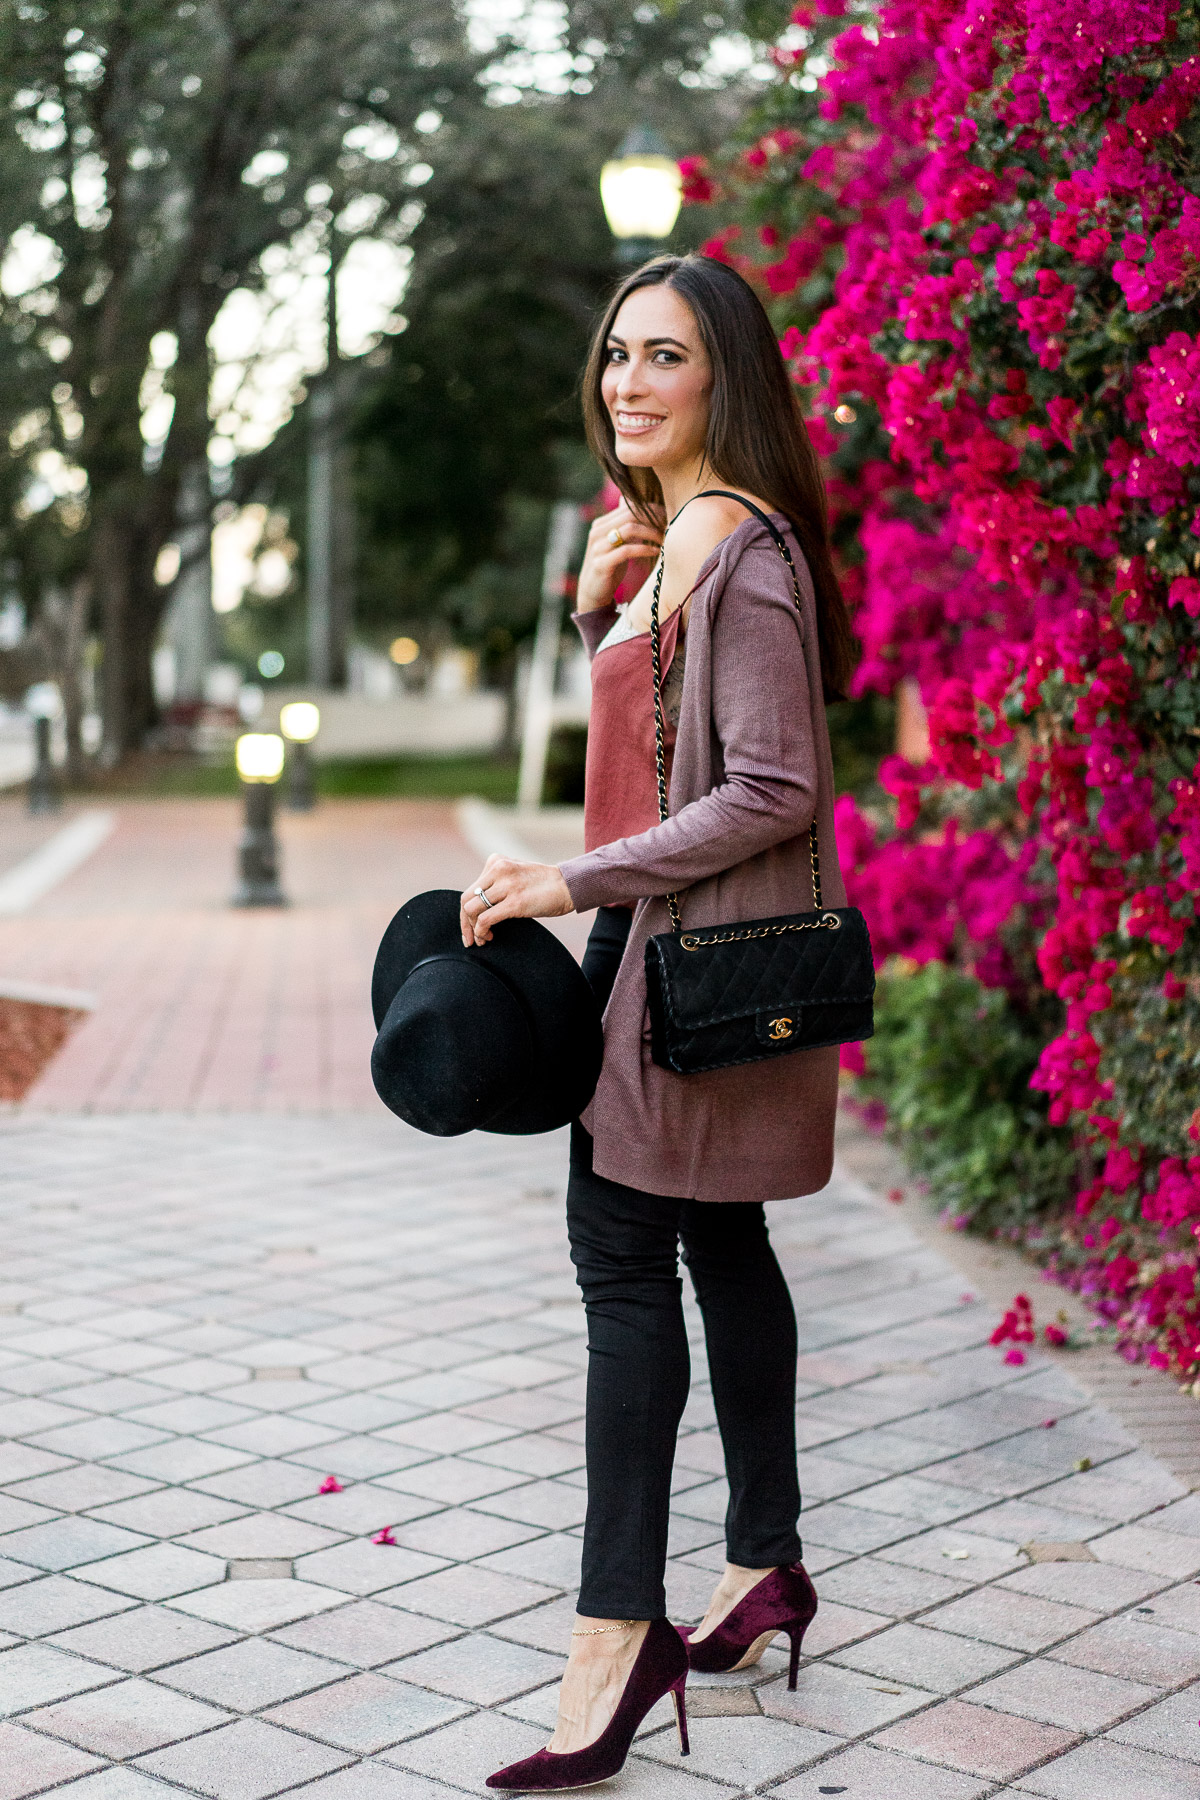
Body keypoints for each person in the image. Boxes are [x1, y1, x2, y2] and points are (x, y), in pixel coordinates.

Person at [459, 252, 856, 1793]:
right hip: (659, 942)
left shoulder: (736, 551)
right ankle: (764, 1568)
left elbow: (774, 789)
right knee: (716, 1243)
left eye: (666, 357)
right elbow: (656, 762)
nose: (628, 381)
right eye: (618, 354)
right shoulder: (669, 541)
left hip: (671, 959)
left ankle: (616, 1643)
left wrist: (568, 883)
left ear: (724, 380)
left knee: (625, 1267)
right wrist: (598, 611)